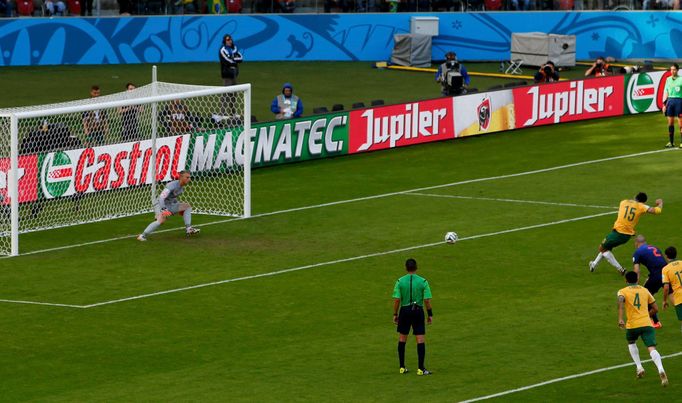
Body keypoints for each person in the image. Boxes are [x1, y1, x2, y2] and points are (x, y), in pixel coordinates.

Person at [589, 193, 662, 275]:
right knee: (606, 248)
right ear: (643, 202)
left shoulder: (623, 202)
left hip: (618, 233)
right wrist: (660, 203)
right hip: (626, 235)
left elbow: (629, 205)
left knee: (602, 248)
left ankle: (620, 269)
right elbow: (657, 211)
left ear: (635, 196)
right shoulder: (641, 206)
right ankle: (594, 264)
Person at [617, 271, 668, 386]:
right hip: (646, 324)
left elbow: (620, 303)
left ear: (626, 280)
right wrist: (647, 315)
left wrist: (620, 319)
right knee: (651, 348)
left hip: (632, 325)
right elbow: (655, 308)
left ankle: (639, 367)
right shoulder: (645, 290)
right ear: (637, 280)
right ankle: (660, 369)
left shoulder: (622, 291)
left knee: (631, 342)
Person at [392, 258, 433, 376]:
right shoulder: (423, 281)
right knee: (420, 339)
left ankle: (402, 367)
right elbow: (426, 300)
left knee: (402, 338)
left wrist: (395, 314)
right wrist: (430, 314)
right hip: (418, 311)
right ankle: (421, 369)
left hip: (404, 311)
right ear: (416, 267)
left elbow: (397, 299)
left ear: (406, 268)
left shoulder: (400, 281)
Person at [137, 170, 201, 241]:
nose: (189, 179)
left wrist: (178, 207)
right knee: (161, 221)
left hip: (170, 205)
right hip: (160, 205)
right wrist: (164, 209)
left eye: (189, 177)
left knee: (187, 206)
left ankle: (188, 229)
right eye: (187, 177)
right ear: (181, 177)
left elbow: (173, 198)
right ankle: (142, 236)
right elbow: (161, 197)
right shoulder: (171, 185)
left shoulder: (181, 188)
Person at [632, 235, 667, 328]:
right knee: (675, 297)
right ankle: (655, 321)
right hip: (667, 273)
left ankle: (652, 321)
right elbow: (660, 262)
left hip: (656, 276)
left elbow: (636, 270)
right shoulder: (654, 247)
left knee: (644, 296)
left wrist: (634, 284)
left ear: (636, 243)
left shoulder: (638, 252)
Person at [661, 63, 682, 148]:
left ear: (677, 70)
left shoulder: (681, 79)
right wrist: (664, 104)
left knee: (681, 123)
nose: (672, 71)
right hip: (670, 102)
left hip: (679, 101)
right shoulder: (668, 79)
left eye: (674, 69)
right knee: (670, 123)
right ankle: (671, 142)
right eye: (671, 69)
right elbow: (666, 92)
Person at [662, 246, 682, 332]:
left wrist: (664, 300)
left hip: (679, 298)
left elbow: (666, 288)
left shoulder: (665, 269)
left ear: (666, 256)